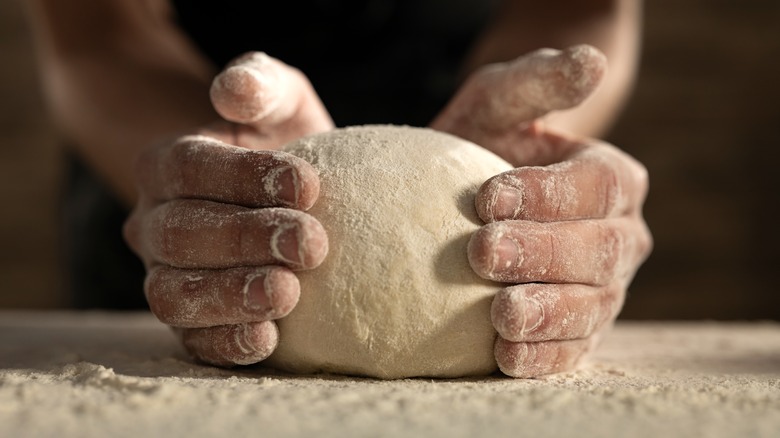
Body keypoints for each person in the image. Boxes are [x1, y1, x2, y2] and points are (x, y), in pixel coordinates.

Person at [27, 0, 651, 377]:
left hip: (475, 159)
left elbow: (579, 8)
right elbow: (97, 30)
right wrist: (199, 167)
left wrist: (526, 142)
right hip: (204, 185)